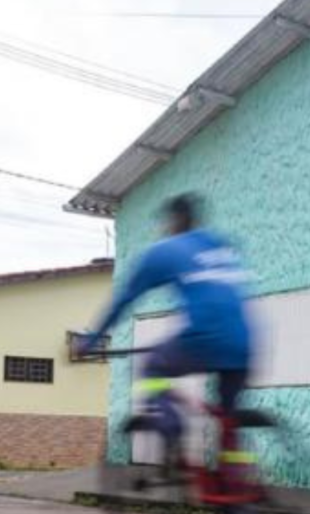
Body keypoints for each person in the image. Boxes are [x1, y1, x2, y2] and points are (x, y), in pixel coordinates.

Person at [81, 193, 253, 456]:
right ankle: (236, 478)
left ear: (176, 221)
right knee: (228, 420)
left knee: (151, 365)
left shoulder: (166, 250)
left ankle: (172, 426)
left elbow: (125, 298)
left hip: (203, 338)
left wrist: (94, 338)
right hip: (245, 344)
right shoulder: (220, 247)